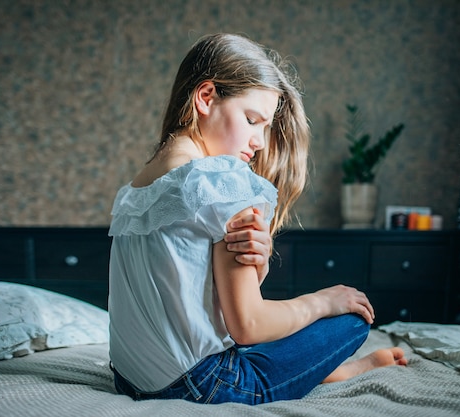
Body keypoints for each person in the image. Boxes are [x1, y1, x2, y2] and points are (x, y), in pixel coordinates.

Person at [107, 33, 406, 405]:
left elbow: (193, 296)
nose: (261, 142)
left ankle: (326, 371)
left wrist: (258, 265)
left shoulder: (138, 188)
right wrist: (324, 301)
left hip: (131, 379)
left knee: (276, 328)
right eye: (252, 120)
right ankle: (329, 367)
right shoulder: (221, 179)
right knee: (352, 322)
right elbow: (247, 326)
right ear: (205, 98)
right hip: (204, 385)